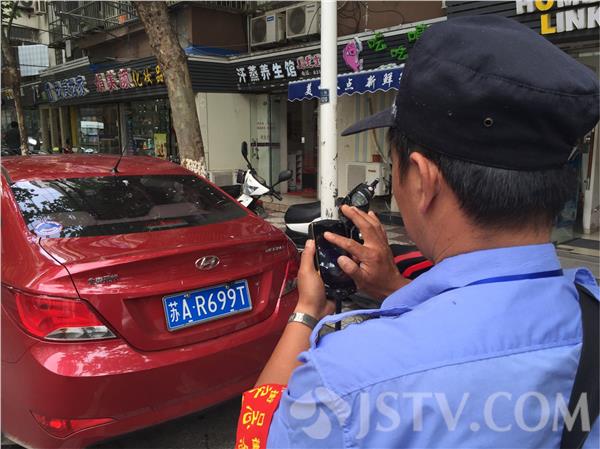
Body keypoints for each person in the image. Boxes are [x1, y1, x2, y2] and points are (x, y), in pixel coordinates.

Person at [236, 15, 599, 448]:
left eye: (394, 168)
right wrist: (393, 286)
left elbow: (255, 437)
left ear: (424, 181)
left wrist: (306, 311)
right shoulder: (590, 313)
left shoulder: (345, 380)